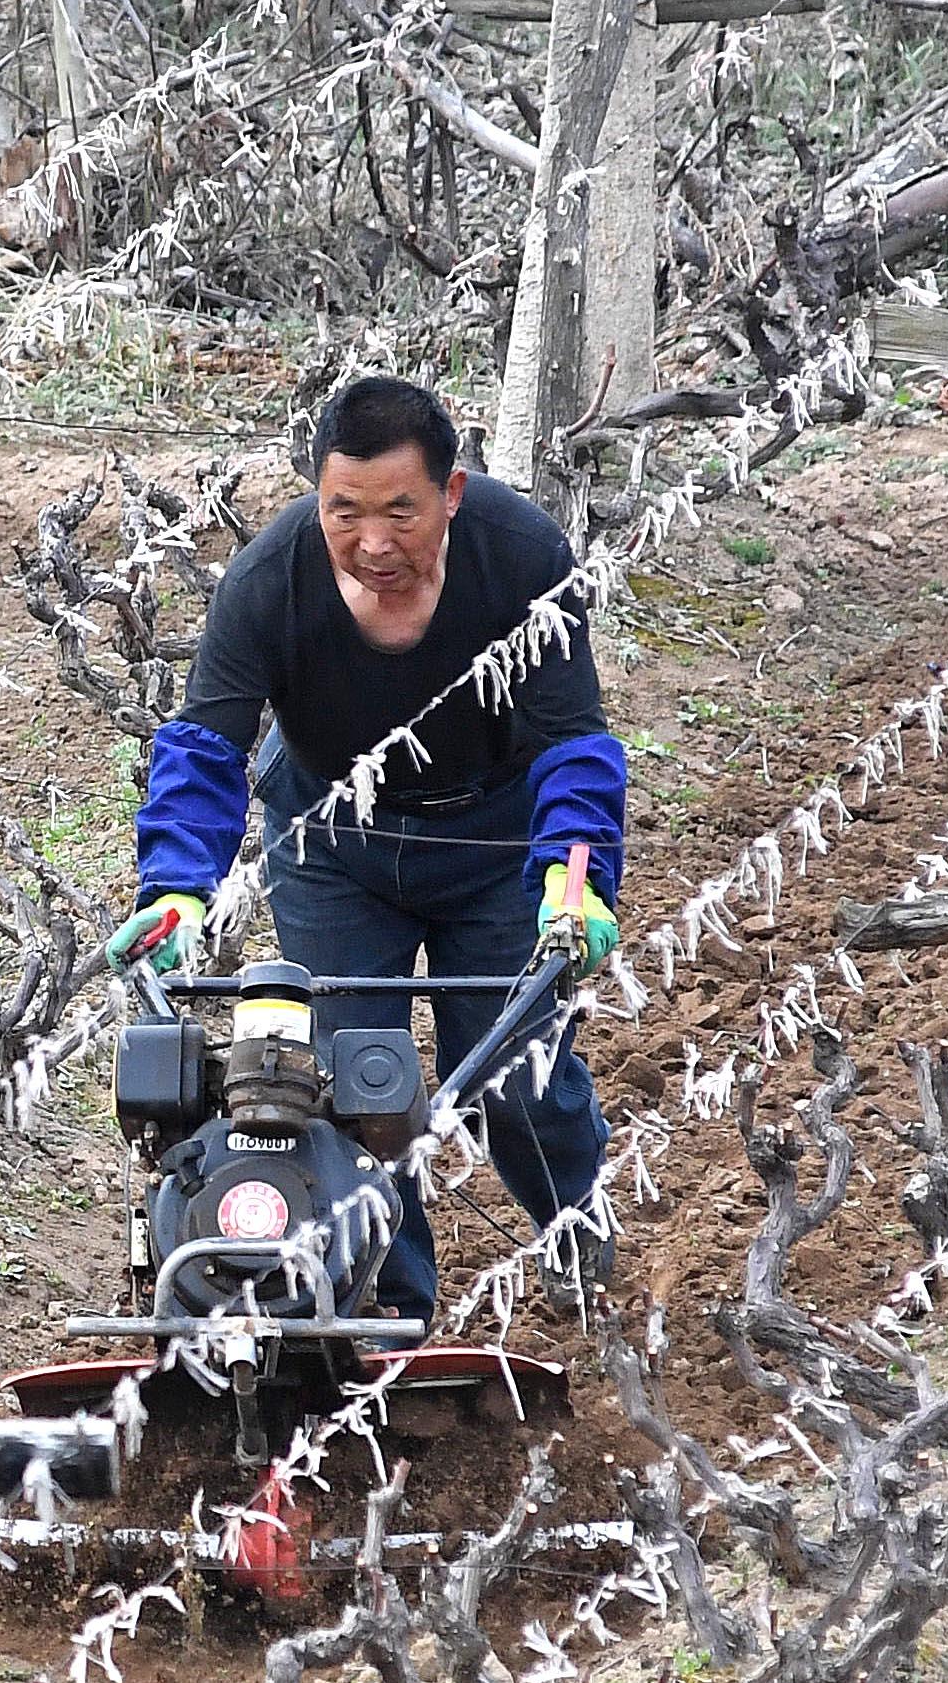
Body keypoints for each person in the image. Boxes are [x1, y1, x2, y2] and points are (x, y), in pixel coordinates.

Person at [115, 374, 625, 1327]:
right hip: (333, 848)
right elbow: (205, 745)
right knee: (357, 1082)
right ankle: (385, 1312)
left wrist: (576, 877)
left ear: (451, 493)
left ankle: (571, 1228)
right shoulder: (269, 580)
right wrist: (177, 888)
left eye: (400, 511)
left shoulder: (520, 557)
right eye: (343, 511)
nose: (373, 542)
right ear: (316, 494)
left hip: (495, 841)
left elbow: (573, 742)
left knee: (516, 1080)